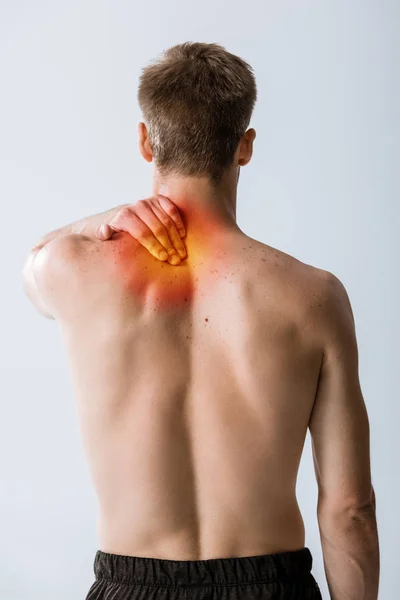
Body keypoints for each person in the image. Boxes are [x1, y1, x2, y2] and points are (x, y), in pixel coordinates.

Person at [22, 42, 379, 600]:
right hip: (272, 585)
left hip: (129, 584)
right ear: (245, 147)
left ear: (145, 141)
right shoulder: (315, 297)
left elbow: (34, 261)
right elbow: (350, 509)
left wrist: (105, 219)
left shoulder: (75, 271)